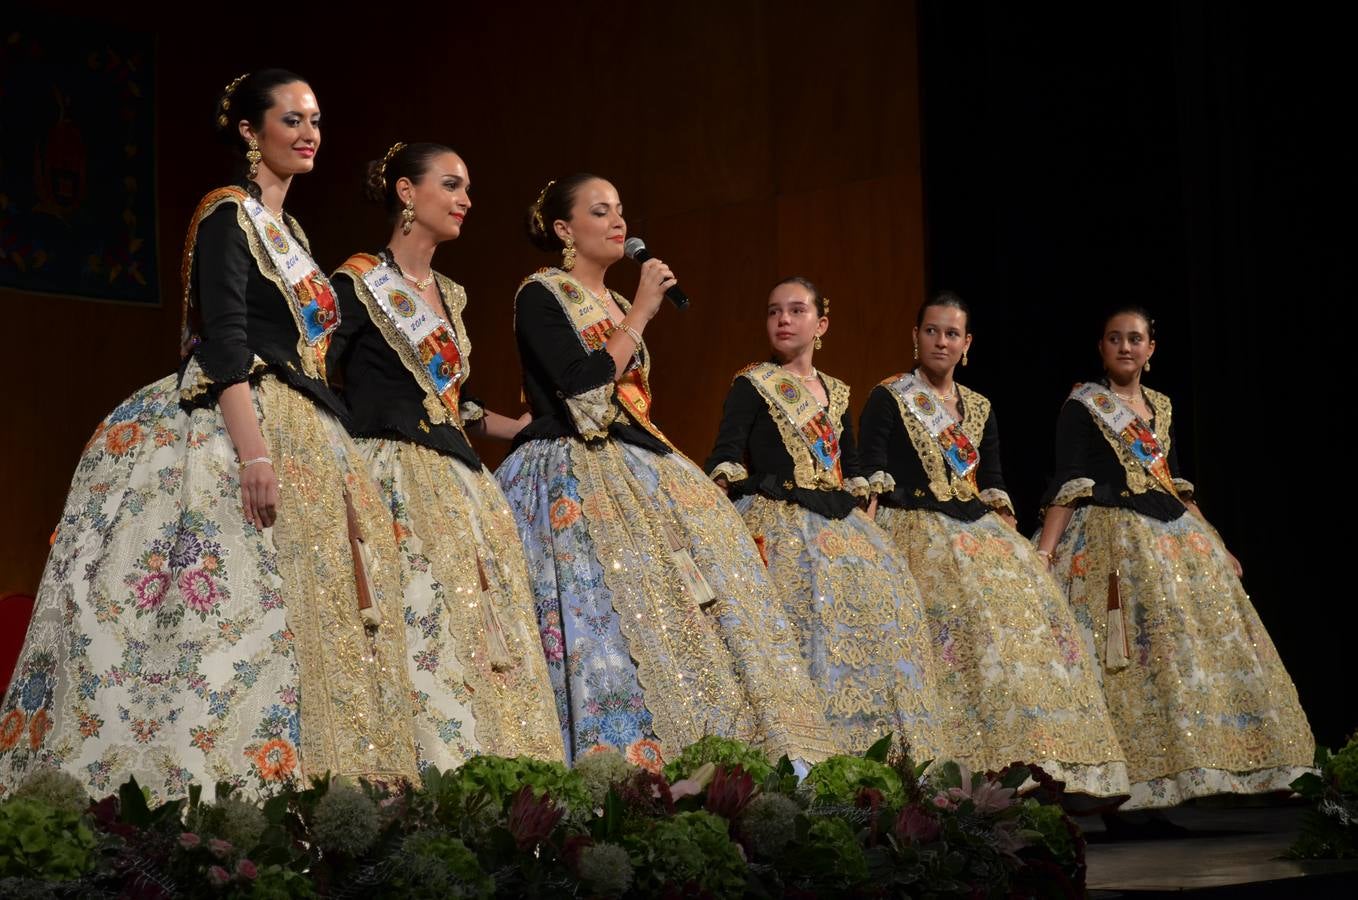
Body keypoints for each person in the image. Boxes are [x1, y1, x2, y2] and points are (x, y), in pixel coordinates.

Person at [0, 71, 416, 803]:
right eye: (291, 118)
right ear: (251, 132)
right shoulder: (229, 215)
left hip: (307, 426)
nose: (309, 131)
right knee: (215, 616)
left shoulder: (293, 233)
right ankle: (190, 790)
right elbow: (224, 340)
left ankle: (311, 782)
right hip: (237, 424)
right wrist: (253, 453)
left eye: (315, 118)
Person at [495, 174, 835, 769]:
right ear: (564, 230)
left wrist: (635, 313)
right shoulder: (541, 293)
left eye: (621, 210)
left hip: (641, 461)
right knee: (597, 613)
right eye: (600, 212)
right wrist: (645, 313)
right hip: (573, 467)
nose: (618, 222)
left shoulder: (619, 304)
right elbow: (581, 389)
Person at [328, 142, 562, 768]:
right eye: (452, 186)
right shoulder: (354, 283)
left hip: (459, 482)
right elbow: (319, 375)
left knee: (479, 633)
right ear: (407, 193)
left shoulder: (450, 296)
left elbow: (454, 400)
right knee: (413, 624)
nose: (466, 200)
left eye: (468, 189)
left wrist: (524, 430)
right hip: (389, 475)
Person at [1035, 306, 1312, 808]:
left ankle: (1181, 779)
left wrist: (1216, 541)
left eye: (1135, 338)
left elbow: (1176, 484)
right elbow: (1067, 481)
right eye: (1115, 338)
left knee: (1178, 655)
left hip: (1172, 535)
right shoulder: (1082, 405)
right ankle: (1129, 790)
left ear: (1151, 349)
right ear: (1101, 347)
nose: (1125, 347)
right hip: (1110, 536)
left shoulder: (1160, 406)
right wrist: (1046, 551)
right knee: (1130, 659)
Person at [858, 291, 1129, 798]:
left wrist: (1017, 547)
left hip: (976, 530)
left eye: (952, 333)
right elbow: (870, 471)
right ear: (914, 337)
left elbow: (993, 481)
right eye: (932, 331)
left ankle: (1030, 763)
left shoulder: (980, 407)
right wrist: (867, 545)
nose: (942, 341)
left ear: (967, 344)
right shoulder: (889, 395)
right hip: (913, 527)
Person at [703, 277, 949, 758]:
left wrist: (867, 516)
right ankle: (805, 748)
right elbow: (726, 458)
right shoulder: (752, 384)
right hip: (777, 519)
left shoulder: (836, 391)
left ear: (822, 325)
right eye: (774, 312)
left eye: (796, 311)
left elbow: (851, 467)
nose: (784, 320)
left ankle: (879, 751)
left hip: (841, 521)